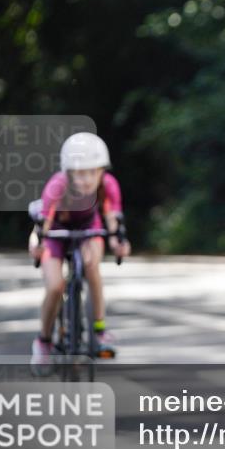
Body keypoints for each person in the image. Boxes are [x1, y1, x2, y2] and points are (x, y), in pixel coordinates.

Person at [30, 132, 131, 371]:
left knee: (91, 266)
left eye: (93, 171)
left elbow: (111, 218)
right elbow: (42, 223)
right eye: (79, 172)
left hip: (88, 228)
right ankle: (44, 341)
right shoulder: (57, 184)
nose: (86, 179)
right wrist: (36, 243)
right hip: (55, 231)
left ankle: (99, 329)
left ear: (102, 170)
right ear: (68, 172)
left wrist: (117, 242)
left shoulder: (108, 185)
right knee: (55, 285)